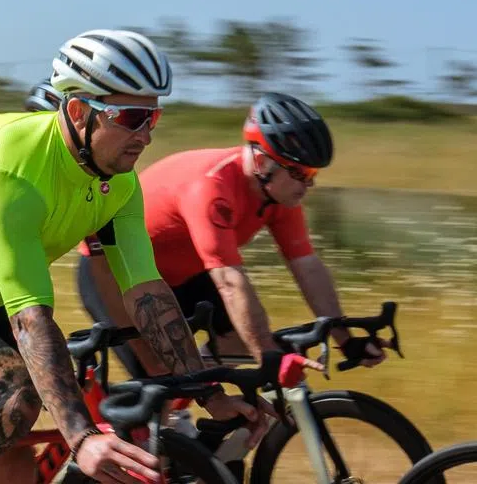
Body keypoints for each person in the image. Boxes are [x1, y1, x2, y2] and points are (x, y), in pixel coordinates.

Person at [0, 29, 267, 484]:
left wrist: (208, 392)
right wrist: (83, 439)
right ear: (80, 110)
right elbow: (30, 318)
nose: (145, 135)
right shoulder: (14, 167)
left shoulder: (118, 183)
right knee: (12, 399)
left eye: (153, 118)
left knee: (20, 449)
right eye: (130, 117)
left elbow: (148, 294)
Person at [73, 91, 388, 384]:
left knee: (238, 339)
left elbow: (307, 267)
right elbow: (229, 281)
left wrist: (345, 339)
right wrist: (270, 356)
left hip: (180, 278)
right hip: (115, 277)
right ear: (263, 162)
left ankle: (196, 408)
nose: (308, 185)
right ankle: (150, 428)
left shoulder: (278, 194)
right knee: (162, 377)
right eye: (300, 174)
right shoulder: (213, 188)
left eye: (313, 175)